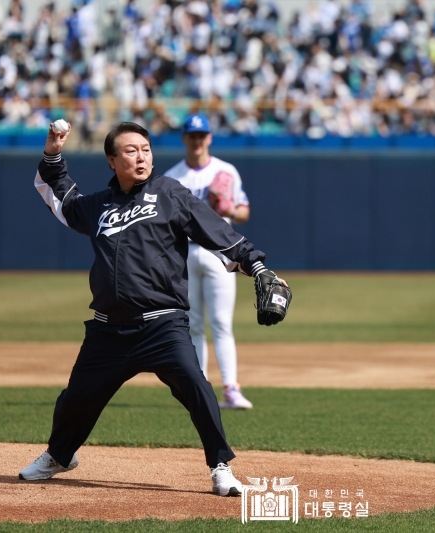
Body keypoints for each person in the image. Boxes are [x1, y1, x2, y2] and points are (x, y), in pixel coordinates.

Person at [18, 121, 289, 496]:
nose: (141, 156)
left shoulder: (170, 194)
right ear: (112, 160)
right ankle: (59, 456)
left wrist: (256, 265)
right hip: (108, 331)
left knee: (196, 387)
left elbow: (218, 233)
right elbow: (61, 197)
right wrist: (53, 153)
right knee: (75, 399)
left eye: (145, 149)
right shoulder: (97, 205)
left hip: (162, 325)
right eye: (131, 150)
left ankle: (220, 467)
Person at [162, 115, 254, 409]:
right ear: (184, 139)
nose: (197, 140)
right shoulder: (172, 177)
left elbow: (243, 212)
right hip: (186, 253)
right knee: (194, 325)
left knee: (221, 323)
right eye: (192, 135)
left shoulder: (226, 170)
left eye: (202, 134)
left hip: (220, 252)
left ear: (210, 137)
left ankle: (231, 388)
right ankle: (198, 389)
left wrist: (229, 208)